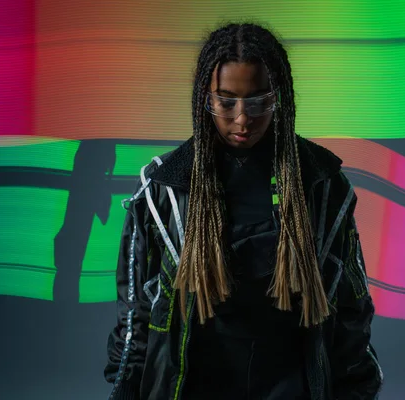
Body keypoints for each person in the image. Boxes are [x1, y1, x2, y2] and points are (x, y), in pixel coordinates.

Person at [104, 23, 383, 400]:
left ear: (278, 96)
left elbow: (351, 308)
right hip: (195, 382)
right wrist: (125, 389)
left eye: (257, 101)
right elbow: (137, 314)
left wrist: (358, 388)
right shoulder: (164, 190)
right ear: (206, 96)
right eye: (226, 100)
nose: (242, 118)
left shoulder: (322, 185)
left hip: (289, 382)